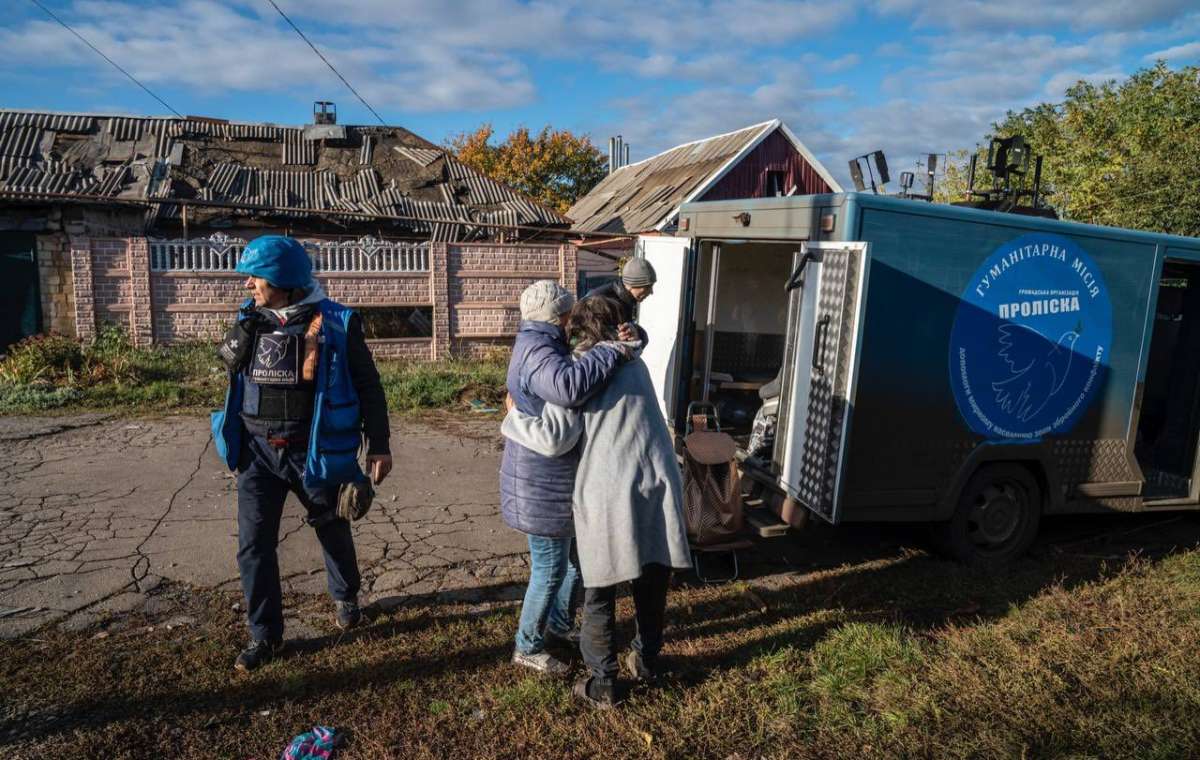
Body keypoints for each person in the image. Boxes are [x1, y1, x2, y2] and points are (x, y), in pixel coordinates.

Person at [211, 235, 392, 672]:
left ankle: (346, 597)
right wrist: (241, 334)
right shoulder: (250, 318)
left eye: (257, 277)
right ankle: (265, 635)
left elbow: (368, 384)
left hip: (312, 452)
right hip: (257, 453)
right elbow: (226, 365)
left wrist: (380, 444)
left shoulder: (334, 322)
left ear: (284, 280)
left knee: (331, 526)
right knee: (253, 545)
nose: (249, 285)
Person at [501, 296, 691, 708]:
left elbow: (556, 438)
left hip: (611, 489)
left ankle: (602, 682)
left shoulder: (580, 372)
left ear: (578, 329)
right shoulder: (633, 360)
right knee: (651, 579)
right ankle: (647, 659)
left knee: (600, 590)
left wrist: (513, 417)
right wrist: (636, 338)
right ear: (619, 328)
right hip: (658, 480)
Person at [501, 281, 630, 675]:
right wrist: (610, 350)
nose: (571, 318)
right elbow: (569, 387)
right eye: (567, 312)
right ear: (556, 315)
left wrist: (620, 341)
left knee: (573, 564)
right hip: (540, 481)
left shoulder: (543, 343)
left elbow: (569, 371)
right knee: (550, 568)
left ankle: (558, 624)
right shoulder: (539, 351)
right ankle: (527, 646)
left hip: (552, 479)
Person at [584, 257, 656, 324]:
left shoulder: (626, 299)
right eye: (647, 287)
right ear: (631, 284)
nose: (651, 292)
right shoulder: (598, 301)